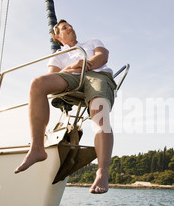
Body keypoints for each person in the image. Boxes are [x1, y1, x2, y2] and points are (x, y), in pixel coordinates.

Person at [14, 19, 116, 194]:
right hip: (71, 77)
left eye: (70, 25)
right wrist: (71, 67)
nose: (70, 28)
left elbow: (102, 57)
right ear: (57, 36)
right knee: (37, 83)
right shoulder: (57, 55)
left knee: (99, 111)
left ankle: (102, 172)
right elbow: (52, 75)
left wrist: (83, 64)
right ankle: (37, 148)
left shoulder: (91, 42)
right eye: (64, 28)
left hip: (96, 75)